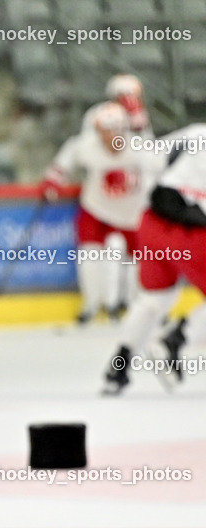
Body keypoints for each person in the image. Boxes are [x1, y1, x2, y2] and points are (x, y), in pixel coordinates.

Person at [102, 124, 206, 395]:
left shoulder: (197, 132)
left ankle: (119, 367)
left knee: (154, 299)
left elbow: (148, 157)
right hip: (193, 230)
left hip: (152, 221)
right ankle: (176, 339)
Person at [40, 102, 164, 323]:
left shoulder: (142, 149)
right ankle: (92, 304)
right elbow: (63, 162)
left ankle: (137, 304)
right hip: (96, 208)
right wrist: (52, 181)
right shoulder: (86, 146)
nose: (108, 137)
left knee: (139, 260)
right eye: (103, 131)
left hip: (133, 212)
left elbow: (166, 170)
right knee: (89, 254)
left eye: (113, 130)